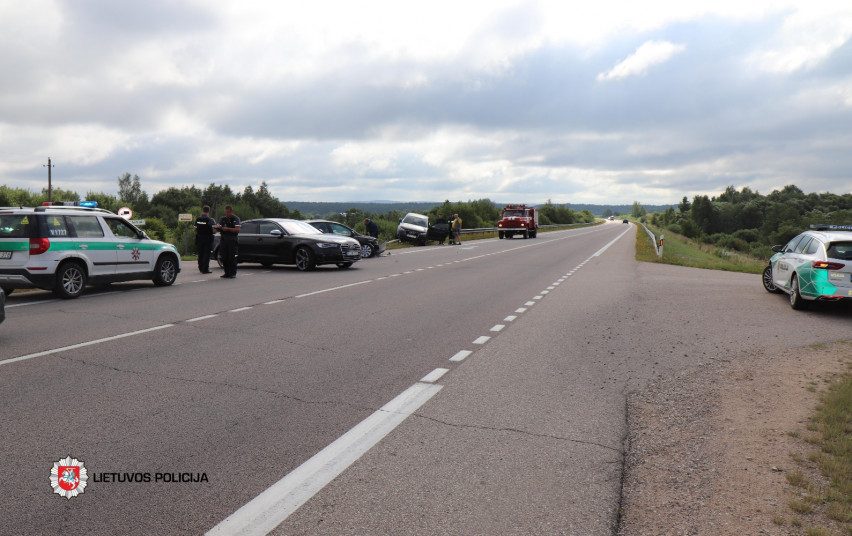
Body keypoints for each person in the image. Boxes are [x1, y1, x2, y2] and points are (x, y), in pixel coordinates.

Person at [215, 205, 241, 279]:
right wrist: (217, 228)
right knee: (224, 257)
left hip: (232, 239)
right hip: (223, 239)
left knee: (232, 257)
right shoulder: (222, 219)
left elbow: (237, 229)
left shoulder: (236, 218)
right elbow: (219, 227)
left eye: (228, 212)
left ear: (232, 212)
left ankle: (233, 273)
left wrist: (228, 229)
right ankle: (226, 273)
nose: (227, 214)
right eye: (226, 212)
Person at [194, 205, 215, 274]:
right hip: (208, 238)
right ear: (208, 211)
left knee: (200, 253)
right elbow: (213, 229)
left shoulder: (198, 219)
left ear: (203, 210)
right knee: (207, 254)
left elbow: (195, 228)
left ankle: (200, 268)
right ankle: (205, 269)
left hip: (199, 238)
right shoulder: (209, 220)